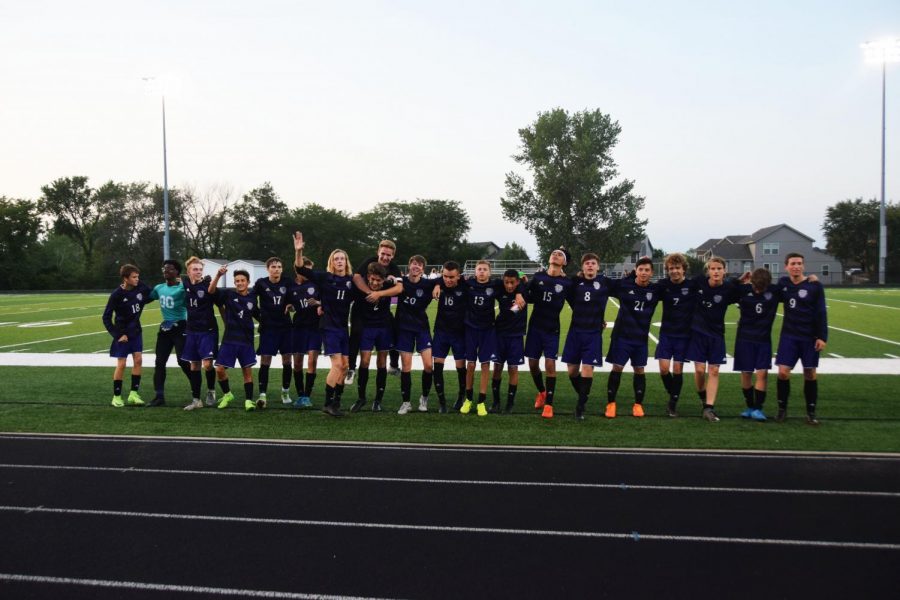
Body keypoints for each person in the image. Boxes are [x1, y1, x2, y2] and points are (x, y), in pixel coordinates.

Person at [294, 231, 356, 416]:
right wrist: (298, 252)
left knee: (345, 367)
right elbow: (301, 270)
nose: (339, 261)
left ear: (346, 262)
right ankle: (328, 403)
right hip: (329, 327)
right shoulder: (325, 278)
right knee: (337, 365)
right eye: (336, 258)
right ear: (332, 261)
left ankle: (336, 402)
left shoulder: (351, 281)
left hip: (343, 328)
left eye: (342, 258)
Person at [685, 256, 741, 422]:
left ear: (724, 271)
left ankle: (709, 407)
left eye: (719, 268)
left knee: (714, 370)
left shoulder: (729, 288)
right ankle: (703, 396)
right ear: (708, 270)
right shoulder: (699, 282)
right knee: (700, 370)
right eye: (713, 268)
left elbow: (746, 297)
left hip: (717, 334)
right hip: (698, 333)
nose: (716, 271)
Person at [604, 257, 661, 419]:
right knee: (617, 368)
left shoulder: (656, 290)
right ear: (636, 270)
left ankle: (638, 405)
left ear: (651, 273)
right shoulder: (624, 286)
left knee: (639, 370)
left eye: (647, 270)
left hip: (640, 338)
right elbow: (605, 284)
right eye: (640, 269)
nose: (643, 273)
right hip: (622, 336)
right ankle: (611, 403)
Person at [774, 253, 828, 425]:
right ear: (786, 266)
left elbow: (821, 312)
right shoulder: (783, 284)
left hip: (809, 337)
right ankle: (782, 409)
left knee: (810, 373)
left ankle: (811, 412)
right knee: (783, 373)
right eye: (792, 263)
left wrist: (822, 337)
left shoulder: (815, 286)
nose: (796, 266)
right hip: (789, 336)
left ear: (803, 266)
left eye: (799, 263)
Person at [561, 253, 613, 420]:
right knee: (572, 370)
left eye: (593, 263)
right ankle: (584, 394)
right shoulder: (575, 282)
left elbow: (626, 287)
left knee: (587, 368)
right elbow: (560, 281)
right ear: (582, 267)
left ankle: (580, 406)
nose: (590, 266)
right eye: (587, 263)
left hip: (593, 333)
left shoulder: (605, 282)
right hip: (575, 332)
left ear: (598, 266)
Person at [346, 239, 402, 385]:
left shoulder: (394, 268)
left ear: (393, 255)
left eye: (388, 255)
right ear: (378, 252)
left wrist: (379, 294)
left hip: (380, 311)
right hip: (360, 307)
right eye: (383, 253)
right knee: (356, 333)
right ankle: (351, 368)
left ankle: (394, 365)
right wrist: (370, 292)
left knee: (395, 328)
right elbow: (357, 277)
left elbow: (399, 288)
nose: (385, 257)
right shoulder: (369, 261)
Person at [527, 247, 574, 414]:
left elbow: (577, 305)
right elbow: (525, 292)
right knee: (532, 364)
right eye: (553, 252)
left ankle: (549, 404)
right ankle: (542, 392)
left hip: (551, 329)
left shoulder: (567, 283)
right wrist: (519, 293)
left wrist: (597, 320)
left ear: (565, 262)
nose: (555, 255)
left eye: (560, 254)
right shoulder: (538, 276)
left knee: (550, 364)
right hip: (534, 327)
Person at [348, 262, 399, 412]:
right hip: (367, 329)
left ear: (383, 280)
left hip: (383, 328)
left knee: (382, 363)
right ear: (368, 277)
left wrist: (391, 283)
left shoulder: (388, 285)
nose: (375, 283)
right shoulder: (360, 288)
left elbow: (400, 287)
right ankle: (361, 398)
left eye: (379, 280)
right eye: (373, 279)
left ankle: (378, 400)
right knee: (364, 361)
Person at [102, 264, 154, 407]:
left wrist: (139, 281)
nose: (137, 279)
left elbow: (150, 293)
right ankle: (117, 397)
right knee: (122, 364)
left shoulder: (139, 288)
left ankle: (133, 394)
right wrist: (117, 334)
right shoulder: (116, 295)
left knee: (138, 360)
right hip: (122, 334)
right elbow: (106, 317)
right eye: (134, 277)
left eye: (138, 277)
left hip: (136, 331)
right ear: (125, 278)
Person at [733, 268, 781, 422]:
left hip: (763, 340)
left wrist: (810, 279)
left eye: (762, 287)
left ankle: (758, 408)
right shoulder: (744, 290)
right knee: (746, 373)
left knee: (762, 373)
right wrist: (741, 278)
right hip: (744, 339)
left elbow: (792, 285)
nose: (758, 290)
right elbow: (728, 285)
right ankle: (750, 406)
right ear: (751, 282)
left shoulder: (774, 291)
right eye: (756, 286)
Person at [654, 253, 698, 417]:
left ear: (684, 269)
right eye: (671, 268)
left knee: (677, 368)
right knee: (664, 369)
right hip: (666, 333)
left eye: (677, 268)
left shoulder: (692, 285)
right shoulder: (663, 285)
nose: (674, 271)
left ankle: (672, 403)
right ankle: (673, 393)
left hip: (684, 335)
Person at [209, 267, 259, 412]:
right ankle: (227, 394)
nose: (240, 283)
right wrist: (218, 275)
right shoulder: (228, 294)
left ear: (248, 282)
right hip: (229, 339)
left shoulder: (252, 298)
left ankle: (248, 401)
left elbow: (258, 315)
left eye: (242, 280)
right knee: (219, 369)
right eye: (237, 281)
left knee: (247, 372)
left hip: (246, 340)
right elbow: (211, 291)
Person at [147, 259, 192, 407]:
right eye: (165, 269)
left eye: (170, 269)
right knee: (159, 362)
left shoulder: (182, 288)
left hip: (180, 326)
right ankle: (159, 396)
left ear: (177, 272)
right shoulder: (159, 288)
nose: (166, 271)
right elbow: (147, 297)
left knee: (183, 361)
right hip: (166, 327)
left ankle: (195, 389)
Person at [395, 255, 436, 414]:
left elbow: (442, 281)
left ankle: (424, 398)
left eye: (419, 265)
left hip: (421, 328)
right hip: (404, 329)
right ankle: (406, 402)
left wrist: (438, 286)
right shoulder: (401, 282)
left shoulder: (427, 283)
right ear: (409, 265)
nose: (416, 266)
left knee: (428, 365)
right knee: (406, 366)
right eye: (413, 263)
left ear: (422, 269)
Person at [253, 257, 295, 407]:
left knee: (287, 361)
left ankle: (285, 392)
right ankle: (262, 395)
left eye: (279, 266)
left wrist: (291, 304)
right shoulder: (261, 283)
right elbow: (251, 302)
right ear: (268, 269)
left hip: (285, 327)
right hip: (268, 328)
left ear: (282, 269)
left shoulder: (288, 282)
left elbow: (294, 301)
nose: (276, 269)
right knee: (265, 360)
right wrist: (260, 317)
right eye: (273, 267)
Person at [181, 257, 220, 411]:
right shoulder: (184, 285)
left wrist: (215, 278)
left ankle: (211, 390)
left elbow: (214, 293)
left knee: (208, 364)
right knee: (194, 365)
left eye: (200, 269)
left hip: (208, 330)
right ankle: (196, 400)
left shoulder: (207, 285)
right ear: (188, 272)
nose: (198, 272)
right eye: (195, 269)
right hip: (191, 330)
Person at [431, 261, 468, 413]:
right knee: (437, 365)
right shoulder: (438, 283)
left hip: (459, 333)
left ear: (458, 276)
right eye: (445, 276)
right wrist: (438, 283)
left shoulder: (465, 285)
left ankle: (461, 396)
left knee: (460, 366)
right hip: (441, 332)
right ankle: (442, 401)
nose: (448, 280)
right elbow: (426, 280)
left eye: (452, 277)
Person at [491, 269, 528, 414]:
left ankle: (510, 403)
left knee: (513, 368)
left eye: (513, 282)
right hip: (499, 334)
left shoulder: (524, 288)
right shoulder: (500, 287)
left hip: (516, 336)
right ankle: (496, 402)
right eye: (506, 282)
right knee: (497, 368)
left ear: (518, 282)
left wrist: (519, 290)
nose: (509, 285)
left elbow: (527, 283)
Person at [288, 258, 321, 408]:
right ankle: (300, 394)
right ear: (298, 270)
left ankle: (307, 395)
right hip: (298, 327)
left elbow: (328, 299)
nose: (309, 273)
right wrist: (289, 306)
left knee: (312, 361)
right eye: (306, 269)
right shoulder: (291, 286)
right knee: (298, 363)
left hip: (315, 327)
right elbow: (288, 303)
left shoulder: (316, 284)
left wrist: (320, 303)